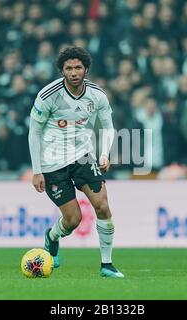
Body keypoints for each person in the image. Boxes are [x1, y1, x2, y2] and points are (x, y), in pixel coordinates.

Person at [28, 46, 124, 278]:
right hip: (53, 162)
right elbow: (34, 132)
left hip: (83, 156)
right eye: (68, 68)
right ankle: (52, 237)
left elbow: (108, 127)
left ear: (86, 70)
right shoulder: (47, 95)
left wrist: (104, 154)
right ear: (62, 71)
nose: (73, 72)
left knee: (102, 206)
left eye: (77, 67)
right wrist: (37, 171)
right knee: (73, 220)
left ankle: (107, 265)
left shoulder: (97, 95)